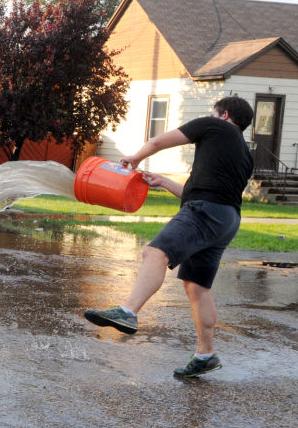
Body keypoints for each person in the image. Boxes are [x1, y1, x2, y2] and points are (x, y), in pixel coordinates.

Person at [83, 95, 255, 378]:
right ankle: (205, 354)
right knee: (196, 286)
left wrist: (134, 158)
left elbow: (160, 141)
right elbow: (201, 191)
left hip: (205, 212)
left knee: (154, 253)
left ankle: (128, 311)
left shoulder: (213, 126)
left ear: (223, 115)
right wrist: (162, 182)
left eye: (214, 113)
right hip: (227, 219)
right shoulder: (244, 154)